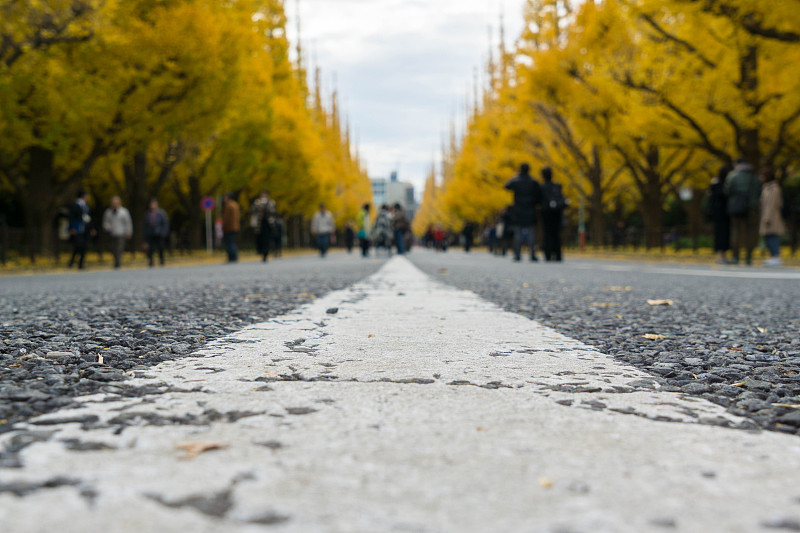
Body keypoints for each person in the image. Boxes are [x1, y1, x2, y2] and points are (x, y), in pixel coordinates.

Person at [724, 158, 761, 265]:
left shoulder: (732, 175)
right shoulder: (754, 176)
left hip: (736, 206)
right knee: (751, 232)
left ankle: (736, 257)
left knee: (736, 231)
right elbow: (759, 190)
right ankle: (749, 257)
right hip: (752, 207)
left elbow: (727, 190)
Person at [504, 163, 542, 262]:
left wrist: (515, 176)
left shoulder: (516, 181)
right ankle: (532, 254)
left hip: (518, 210)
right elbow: (539, 193)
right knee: (531, 233)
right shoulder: (533, 181)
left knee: (518, 233)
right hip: (530, 209)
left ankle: (517, 254)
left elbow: (506, 186)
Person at [759, 166, 786, 267]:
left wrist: (767, 217)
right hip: (768, 215)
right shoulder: (767, 187)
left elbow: (772, 204)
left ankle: (775, 256)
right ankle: (773, 256)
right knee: (768, 237)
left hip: (772, 216)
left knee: (772, 236)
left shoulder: (774, 188)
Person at [706, 165, 732, 264]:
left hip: (725, 213)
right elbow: (715, 198)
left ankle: (723, 255)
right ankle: (720, 256)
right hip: (719, 213)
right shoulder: (716, 184)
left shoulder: (725, 184)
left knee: (725, 234)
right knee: (719, 234)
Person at [540, 167, 566, 261]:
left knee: (547, 233)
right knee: (556, 233)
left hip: (546, 212)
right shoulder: (557, 186)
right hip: (557, 212)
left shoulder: (541, 187)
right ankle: (558, 254)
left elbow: (538, 200)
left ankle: (548, 254)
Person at [102, 195, 133, 269]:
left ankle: (118, 262)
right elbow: (106, 222)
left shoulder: (124, 211)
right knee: (113, 248)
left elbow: (128, 222)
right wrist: (107, 227)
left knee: (119, 248)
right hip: (112, 233)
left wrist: (128, 232)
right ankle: (116, 260)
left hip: (121, 233)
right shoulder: (108, 212)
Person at [67, 190, 93, 269]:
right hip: (78, 227)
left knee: (83, 246)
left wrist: (91, 227)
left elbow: (88, 218)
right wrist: (72, 227)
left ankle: (80, 263)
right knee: (79, 245)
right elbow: (71, 217)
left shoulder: (86, 206)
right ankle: (73, 261)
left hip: (85, 228)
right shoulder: (75, 205)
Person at [251, 190, 276, 262]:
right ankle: (261, 251)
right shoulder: (257, 202)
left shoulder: (271, 203)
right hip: (259, 224)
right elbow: (253, 210)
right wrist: (258, 205)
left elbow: (273, 212)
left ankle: (266, 253)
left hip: (267, 224)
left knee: (266, 239)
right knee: (260, 238)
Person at [144, 198, 169, 267]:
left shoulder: (161, 213)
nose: (152, 206)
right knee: (151, 248)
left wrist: (164, 232)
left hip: (159, 233)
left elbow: (165, 223)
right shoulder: (147, 214)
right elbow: (146, 225)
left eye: (154, 204)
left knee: (160, 247)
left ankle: (161, 260)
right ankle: (151, 261)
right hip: (150, 234)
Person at [222, 193, 240, 263]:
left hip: (229, 227)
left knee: (229, 242)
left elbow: (227, 218)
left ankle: (232, 257)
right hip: (235, 226)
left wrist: (223, 226)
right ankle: (234, 256)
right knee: (232, 241)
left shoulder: (229, 206)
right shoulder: (235, 205)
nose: (224, 200)